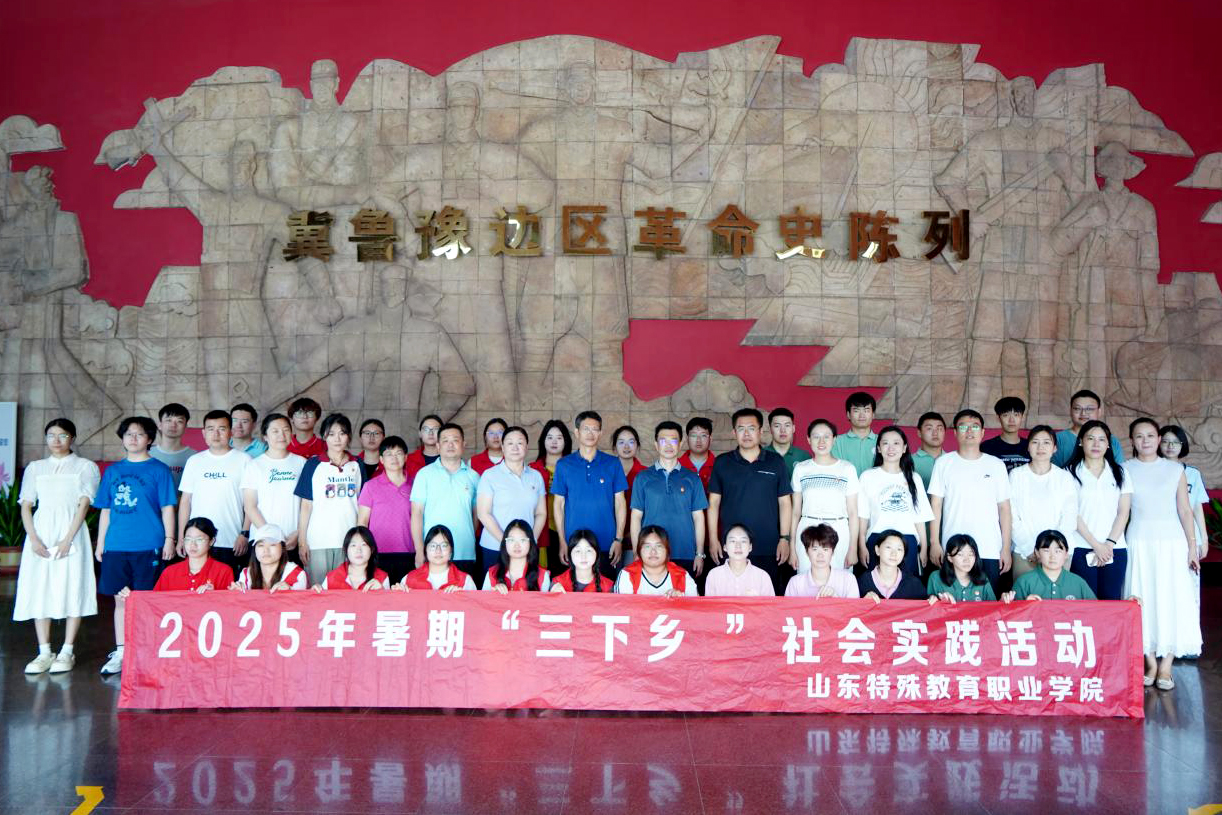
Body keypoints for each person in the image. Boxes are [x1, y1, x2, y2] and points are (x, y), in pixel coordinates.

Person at [93, 416, 177, 675]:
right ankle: (122, 651)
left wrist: (169, 539)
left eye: (139, 434)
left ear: (150, 439)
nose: (133, 438)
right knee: (120, 600)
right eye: (128, 434)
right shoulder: (113, 471)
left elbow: (168, 508)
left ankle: (146, 652)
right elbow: (106, 510)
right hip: (117, 545)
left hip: (149, 545)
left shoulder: (159, 470)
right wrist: (101, 542)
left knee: (146, 600)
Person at [16, 418, 100, 675]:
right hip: (41, 533)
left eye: (62, 435)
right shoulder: (36, 468)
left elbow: (83, 505)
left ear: (72, 438)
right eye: (51, 435)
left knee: (73, 585)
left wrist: (67, 538)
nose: (56, 440)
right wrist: (33, 538)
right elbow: (26, 505)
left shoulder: (85, 466)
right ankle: (44, 651)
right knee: (39, 586)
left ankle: (67, 650)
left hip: (71, 532)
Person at [1124, 417, 1202, 690]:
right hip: (1139, 540)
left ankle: (1166, 665)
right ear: (1132, 440)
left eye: (1150, 435)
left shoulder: (1175, 469)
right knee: (1141, 596)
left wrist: (1192, 546)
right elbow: (1122, 510)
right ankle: (1150, 661)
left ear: (1158, 439)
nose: (1145, 440)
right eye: (1139, 436)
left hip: (1172, 541)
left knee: (1172, 598)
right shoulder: (1125, 469)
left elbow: (1185, 510)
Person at [928, 408, 1012, 596]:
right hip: (954, 550)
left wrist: (1006, 548)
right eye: (963, 426)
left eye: (975, 427)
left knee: (988, 606)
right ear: (955, 432)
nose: (969, 431)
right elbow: (936, 505)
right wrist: (935, 542)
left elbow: (1005, 509)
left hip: (989, 547)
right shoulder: (943, 463)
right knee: (952, 603)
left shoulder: (996, 465)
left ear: (982, 432)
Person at [708, 408, 792, 594]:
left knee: (766, 599)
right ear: (734, 432)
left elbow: (785, 503)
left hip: (768, 545)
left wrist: (784, 539)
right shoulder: (722, 462)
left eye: (751, 428)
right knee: (729, 598)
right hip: (732, 546)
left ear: (761, 431)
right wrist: (713, 539)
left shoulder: (775, 461)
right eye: (741, 429)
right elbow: (713, 503)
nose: (746, 434)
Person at [294, 413, 366, 586]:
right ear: (324, 437)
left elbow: (363, 505)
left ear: (349, 436)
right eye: (331, 434)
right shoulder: (313, 465)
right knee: (317, 590)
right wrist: (302, 542)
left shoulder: (357, 464)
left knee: (346, 590)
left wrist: (361, 540)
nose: (337, 439)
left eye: (342, 433)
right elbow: (306, 505)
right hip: (318, 541)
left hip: (349, 541)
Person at [551, 411, 628, 573]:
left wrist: (618, 539)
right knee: (576, 587)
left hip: (607, 543)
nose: (590, 433)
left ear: (600, 433)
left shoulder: (613, 463)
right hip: (574, 544)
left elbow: (620, 503)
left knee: (607, 587)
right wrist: (562, 540)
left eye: (595, 429)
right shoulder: (564, 465)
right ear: (577, 432)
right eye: (586, 429)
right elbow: (559, 505)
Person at [630, 421, 709, 577]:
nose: (668, 445)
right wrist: (636, 552)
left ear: (680, 444)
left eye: (673, 440)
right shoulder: (643, 478)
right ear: (656, 445)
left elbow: (698, 517)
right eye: (663, 441)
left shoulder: (692, 478)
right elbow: (636, 517)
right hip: (651, 555)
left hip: (685, 552)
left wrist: (699, 553)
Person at [178, 409, 252, 574]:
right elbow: (185, 502)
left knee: (229, 587)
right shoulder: (194, 461)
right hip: (197, 542)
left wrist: (244, 534)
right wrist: (182, 538)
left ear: (231, 432)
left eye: (222, 429)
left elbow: (250, 503)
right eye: (211, 429)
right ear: (204, 433)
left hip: (232, 541)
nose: (216, 434)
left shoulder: (244, 460)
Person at [1065, 420, 1132, 601]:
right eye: (1090, 439)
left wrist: (1108, 544)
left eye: (1102, 439)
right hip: (1081, 546)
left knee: (1111, 601)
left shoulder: (1121, 472)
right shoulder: (1069, 472)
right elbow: (1072, 513)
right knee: (1086, 602)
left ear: (1108, 444)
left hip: (1115, 548)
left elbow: (1123, 512)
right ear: (1081, 442)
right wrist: (1096, 545)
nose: (1096, 444)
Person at [857, 425, 931, 575]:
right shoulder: (868, 476)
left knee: (907, 586)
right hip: (877, 539)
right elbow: (863, 516)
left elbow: (919, 517)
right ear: (878, 448)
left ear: (904, 448)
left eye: (896, 443)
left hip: (907, 541)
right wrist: (861, 545)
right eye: (885, 443)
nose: (891, 448)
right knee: (876, 585)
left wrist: (923, 547)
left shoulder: (914, 478)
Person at [1008, 425, 1078, 580]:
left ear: (1054, 448)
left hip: (1059, 553)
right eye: (1035, 442)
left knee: (1057, 595)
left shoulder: (1064, 477)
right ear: (1028, 447)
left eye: (1046, 442)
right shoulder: (1016, 475)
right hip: (1025, 552)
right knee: (1026, 594)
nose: (1040, 447)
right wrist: (1030, 549)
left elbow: (1070, 516)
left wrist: (1053, 550)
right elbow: (1011, 516)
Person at [410, 422, 480, 574]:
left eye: (455, 440)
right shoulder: (424, 474)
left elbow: (476, 515)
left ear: (463, 444)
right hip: (433, 553)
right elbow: (416, 513)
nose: (450, 445)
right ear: (438, 446)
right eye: (445, 441)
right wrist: (419, 550)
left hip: (465, 552)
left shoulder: (474, 476)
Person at [791, 418, 859, 572]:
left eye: (826, 437)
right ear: (808, 440)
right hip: (808, 530)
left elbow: (853, 513)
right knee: (806, 580)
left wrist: (853, 548)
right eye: (816, 436)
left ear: (834, 439)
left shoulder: (847, 469)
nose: (821, 441)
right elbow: (795, 512)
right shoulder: (801, 469)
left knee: (839, 581)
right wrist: (792, 547)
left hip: (839, 530)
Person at [476, 426, 547, 571]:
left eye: (520, 443)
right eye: (510, 443)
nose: (515, 447)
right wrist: (506, 542)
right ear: (503, 447)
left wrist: (531, 540)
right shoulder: (490, 475)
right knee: (495, 584)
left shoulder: (536, 476)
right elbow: (483, 513)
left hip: (526, 549)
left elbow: (541, 513)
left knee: (526, 584)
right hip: (495, 546)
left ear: (526, 447)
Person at [241, 412, 306, 556]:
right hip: (263, 540)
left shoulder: (301, 463)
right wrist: (271, 536)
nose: (281, 435)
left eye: (286, 430)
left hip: (293, 540)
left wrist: (299, 533)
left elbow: (307, 504)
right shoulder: (254, 465)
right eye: (275, 431)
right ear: (265, 436)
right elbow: (250, 506)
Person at [356, 435, 416, 584]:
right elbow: (362, 522)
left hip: (408, 553)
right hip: (378, 553)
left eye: (398, 453)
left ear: (406, 457)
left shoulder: (415, 485)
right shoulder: (370, 486)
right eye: (389, 454)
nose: (394, 458)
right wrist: (365, 552)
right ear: (381, 459)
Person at [1159, 425, 1210, 589]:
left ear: (1183, 445)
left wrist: (1204, 539)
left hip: (1189, 535)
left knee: (1187, 581)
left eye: (1175, 442)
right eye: (1165, 441)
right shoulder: (1153, 471)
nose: (1170, 446)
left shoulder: (1193, 474)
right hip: (1162, 533)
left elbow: (1196, 508)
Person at [1006, 530, 1097, 601]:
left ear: (1066, 554)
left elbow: (1095, 610)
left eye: (1058, 551)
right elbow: (1012, 613)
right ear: (1037, 553)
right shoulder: (1024, 582)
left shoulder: (1078, 582)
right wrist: (1025, 604)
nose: (1052, 556)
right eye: (1046, 551)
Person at [151, 516, 234, 592]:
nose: (193, 544)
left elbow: (229, 602)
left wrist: (214, 595)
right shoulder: (169, 572)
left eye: (199, 539)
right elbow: (155, 600)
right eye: (188, 539)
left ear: (211, 541)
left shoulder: (224, 572)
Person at [530, 419, 571, 570]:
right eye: (550, 437)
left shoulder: (573, 468)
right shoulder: (532, 469)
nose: (554, 442)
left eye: (559, 438)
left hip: (566, 529)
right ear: (543, 441)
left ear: (566, 441)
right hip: (540, 530)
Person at [615, 525, 697, 596]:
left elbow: (695, 606)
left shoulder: (682, 576)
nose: (653, 552)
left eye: (659, 546)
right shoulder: (628, 574)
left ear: (667, 550)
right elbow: (622, 607)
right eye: (647, 546)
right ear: (639, 550)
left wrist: (681, 599)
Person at [1051, 389, 1124, 467]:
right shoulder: (1057, 439)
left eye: (1089, 409)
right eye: (1077, 408)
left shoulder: (1112, 440)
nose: (1083, 413)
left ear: (1099, 412)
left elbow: (1118, 470)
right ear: (1070, 411)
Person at [784, 524, 859, 598]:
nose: (820, 555)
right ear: (807, 552)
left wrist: (836, 599)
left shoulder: (848, 580)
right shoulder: (795, 583)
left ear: (832, 552)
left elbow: (855, 606)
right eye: (815, 549)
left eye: (825, 549)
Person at [394, 525, 476, 591]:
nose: (438, 551)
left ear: (451, 551)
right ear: (425, 550)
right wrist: (398, 594)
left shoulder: (465, 581)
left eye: (444, 546)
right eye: (433, 546)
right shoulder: (409, 579)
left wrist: (462, 597)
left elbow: (475, 606)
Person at [230, 524, 309, 591]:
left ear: (283, 548)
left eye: (272, 545)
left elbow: (301, 602)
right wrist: (237, 591)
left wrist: (291, 590)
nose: (266, 550)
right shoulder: (246, 574)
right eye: (261, 545)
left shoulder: (296, 574)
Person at [703, 524, 775, 596]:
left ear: (750, 547)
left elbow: (771, 603)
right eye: (733, 541)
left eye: (743, 541)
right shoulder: (714, 575)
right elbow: (709, 603)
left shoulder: (762, 577)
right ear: (725, 547)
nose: (738, 546)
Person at [858, 531, 928, 601]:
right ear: (877, 550)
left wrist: (931, 599)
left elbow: (926, 603)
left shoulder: (913, 584)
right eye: (888, 547)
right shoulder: (863, 581)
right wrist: (863, 602)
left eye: (899, 549)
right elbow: (853, 606)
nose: (894, 553)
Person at [483, 519, 551, 592]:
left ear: (530, 543)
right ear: (505, 543)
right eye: (511, 540)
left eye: (522, 540)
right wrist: (492, 594)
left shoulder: (542, 576)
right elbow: (481, 599)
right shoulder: (492, 574)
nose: (517, 545)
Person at [926, 534, 997, 602]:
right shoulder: (936, 578)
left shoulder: (982, 578)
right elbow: (929, 606)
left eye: (971, 554)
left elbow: (994, 607)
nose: (966, 560)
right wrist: (937, 599)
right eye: (960, 554)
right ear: (949, 557)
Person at [315, 526, 389, 591]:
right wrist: (315, 592)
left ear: (372, 549)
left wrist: (382, 591)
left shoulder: (382, 578)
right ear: (346, 550)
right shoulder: (332, 578)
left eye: (364, 544)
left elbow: (389, 602)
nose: (358, 550)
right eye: (353, 545)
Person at [149, 402, 195, 490]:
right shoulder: (147, 454)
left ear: (185, 427)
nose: (173, 425)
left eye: (179, 421)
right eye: (168, 420)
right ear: (160, 425)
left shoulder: (194, 457)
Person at [830, 391, 878, 476]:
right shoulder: (836, 442)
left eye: (866, 410)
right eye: (856, 411)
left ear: (873, 414)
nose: (862, 415)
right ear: (848, 414)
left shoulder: (883, 441)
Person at [550, 529, 614, 592]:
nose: (583, 556)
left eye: (588, 551)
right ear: (570, 555)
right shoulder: (557, 584)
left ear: (596, 554)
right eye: (578, 551)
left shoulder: (608, 587)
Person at [980, 396, 1031, 472]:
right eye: (1005, 415)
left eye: (1016, 415)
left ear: (1022, 417)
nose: (1011, 420)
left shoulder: (1031, 446)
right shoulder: (986, 447)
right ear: (998, 418)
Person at [767, 407, 812, 484]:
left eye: (787, 425)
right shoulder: (760, 455)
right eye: (777, 426)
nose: (783, 430)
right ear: (770, 429)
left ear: (793, 428)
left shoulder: (804, 456)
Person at [612, 425, 648, 511]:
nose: (626, 447)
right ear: (615, 447)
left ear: (637, 445)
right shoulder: (607, 472)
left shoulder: (647, 473)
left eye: (631, 442)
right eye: (621, 442)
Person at [679, 416, 716, 489]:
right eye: (694, 435)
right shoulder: (676, 466)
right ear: (687, 439)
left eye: (703, 435)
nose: (698, 440)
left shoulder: (719, 466)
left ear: (710, 439)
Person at [911, 411, 945, 490]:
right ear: (919, 433)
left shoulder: (952, 460)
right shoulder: (908, 461)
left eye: (939, 429)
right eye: (929, 429)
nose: (935, 433)